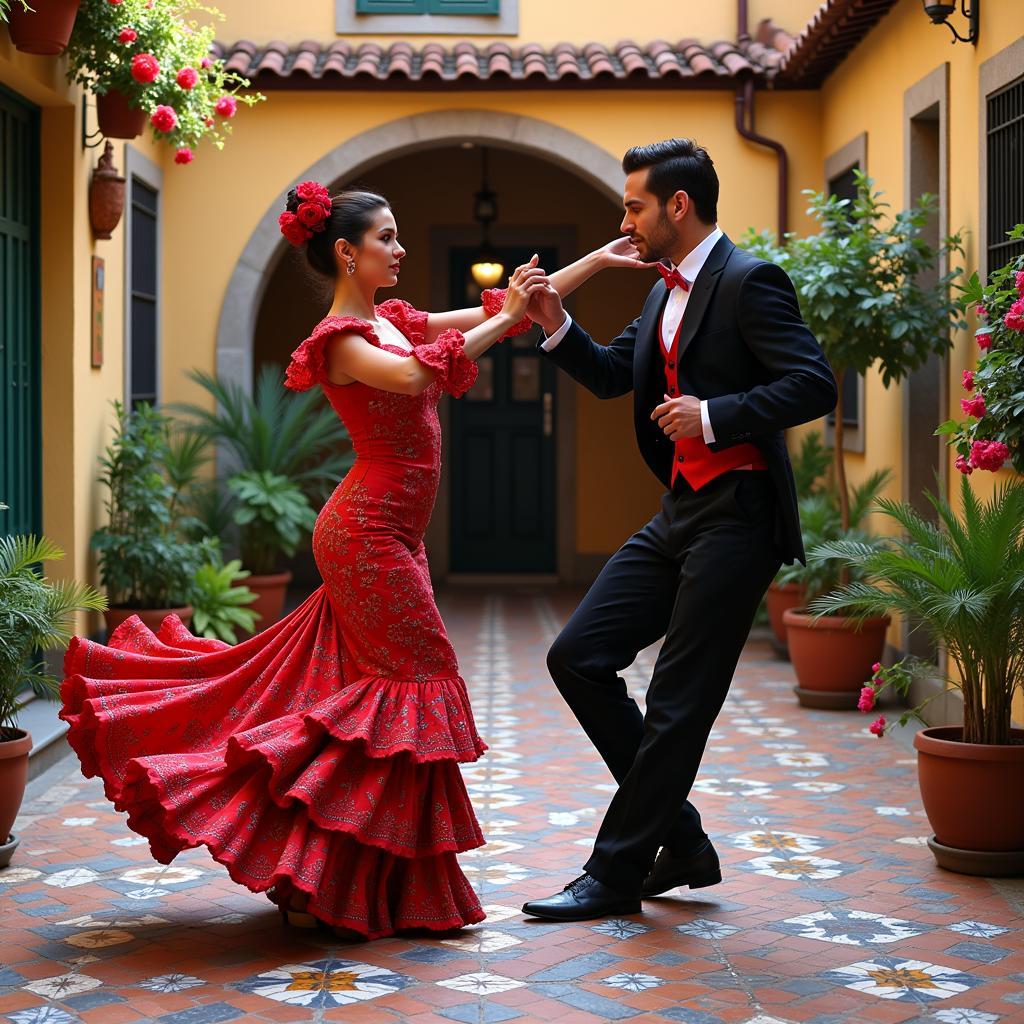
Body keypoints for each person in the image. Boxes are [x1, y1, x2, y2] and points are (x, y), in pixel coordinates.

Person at [60, 181, 639, 940]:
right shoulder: (340, 340)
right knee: (416, 685)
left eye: (400, 236)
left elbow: (502, 311)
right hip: (363, 537)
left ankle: (333, 886)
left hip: (392, 537)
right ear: (346, 251)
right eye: (387, 238)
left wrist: (592, 262)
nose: (400, 250)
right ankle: (342, 879)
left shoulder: (391, 321)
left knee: (372, 709)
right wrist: (504, 320)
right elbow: (418, 377)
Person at [518, 138, 838, 922]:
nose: (623, 217)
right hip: (680, 511)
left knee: (676, 700)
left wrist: (715, 415)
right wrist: (554, 320)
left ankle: (616, 872)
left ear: (677, 206)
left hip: (739, 514)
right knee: (579, 657)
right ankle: (683, 841)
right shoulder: (662, 293)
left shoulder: (749, 279)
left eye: (634, 204)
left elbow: (815, 383)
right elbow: (605, 375)